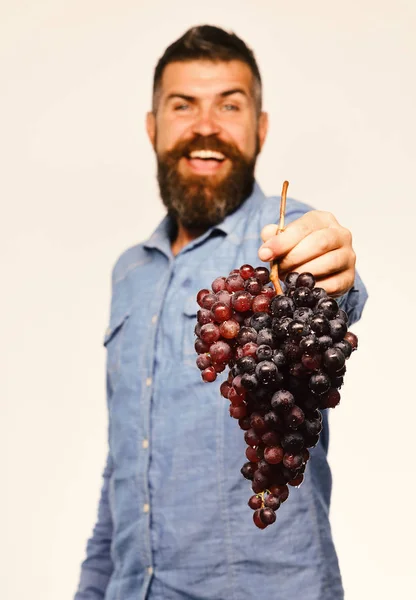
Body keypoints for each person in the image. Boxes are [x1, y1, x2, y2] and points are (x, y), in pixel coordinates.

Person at [74, 25, 367, 600]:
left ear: (259, 129)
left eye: (229, 105)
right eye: (183, 105)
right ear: (152, 126)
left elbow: (336, 294)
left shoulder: (282, 242)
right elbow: (124, 466)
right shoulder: (129, 273)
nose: (205, 125)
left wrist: (332, 269)